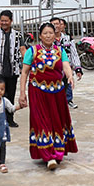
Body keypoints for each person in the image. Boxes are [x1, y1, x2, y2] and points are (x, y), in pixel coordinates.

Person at [19, 22, 78, 170]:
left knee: (57, 121)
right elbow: (25, 73)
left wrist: (70, 76)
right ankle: (48, 156)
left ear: (55, 34)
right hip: (37, 91)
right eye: (45, 33)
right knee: (41, 122)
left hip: (57, 92)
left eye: (50, 33)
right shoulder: (32, 51)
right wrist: (21, 93)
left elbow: (65, 65)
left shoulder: (60, 50)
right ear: (40, 35)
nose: (48, 35)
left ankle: (57, 151)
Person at [51, 17, 83, 109]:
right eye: (53, 24)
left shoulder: (67, 38)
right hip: (54, 69)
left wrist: (78, 68)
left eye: (57, 23)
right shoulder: (49, 39)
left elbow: (74, 53)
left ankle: (68, 100)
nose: (56, 26)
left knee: (68, 83)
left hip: (67, 68)